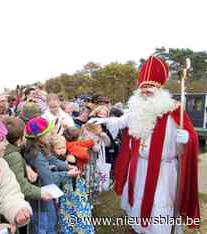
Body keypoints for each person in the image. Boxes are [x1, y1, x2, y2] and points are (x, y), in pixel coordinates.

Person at [90, 56, 200, 233]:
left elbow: (192, 138)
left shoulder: (173, 109)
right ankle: (141, 228)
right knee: (139, 199)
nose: (146, 90)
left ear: (159, 88)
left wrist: (186, 137)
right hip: (140, 166)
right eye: (143, 87)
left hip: (163, 170)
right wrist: (102, 119)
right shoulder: (136, 108)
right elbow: (121, 122)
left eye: (151, 86)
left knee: (159, 202)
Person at [23, 117, 79, 234]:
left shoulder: (40, 147)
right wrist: (67, 173)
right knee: (43, 225)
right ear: (40, 136)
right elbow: (48, 177)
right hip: (40, 197)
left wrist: (68, 166)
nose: (51, 135)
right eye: (49, 132)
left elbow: (53, 160)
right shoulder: (37, 154)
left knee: (51, 220)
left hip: (46, 193)